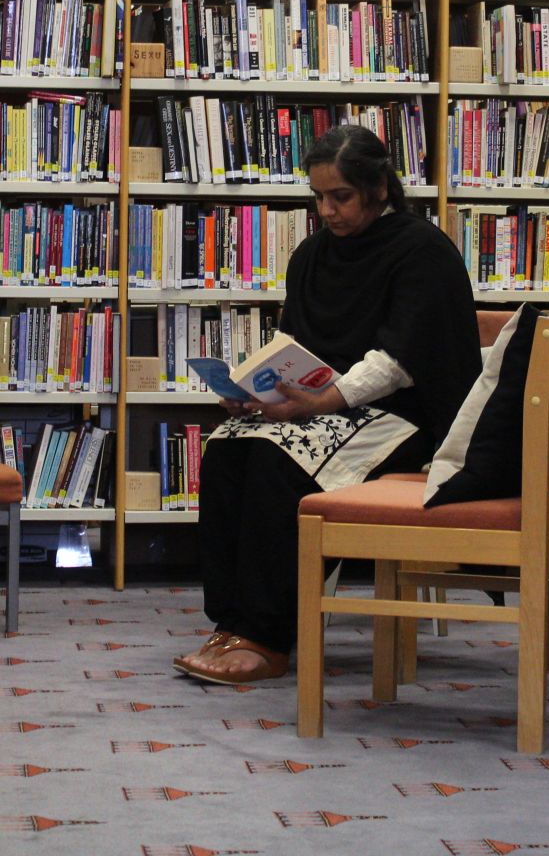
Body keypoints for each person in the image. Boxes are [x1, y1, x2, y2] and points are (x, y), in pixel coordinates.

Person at [174, 124, 482, 684]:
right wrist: (259, 393)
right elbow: (296, 347)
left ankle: (268, 635)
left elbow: (399, 361)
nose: (327, 210)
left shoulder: (423, 251)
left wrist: (320, 401)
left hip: (407, 416)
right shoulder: (312, 254)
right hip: (325, 408)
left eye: (340, 196)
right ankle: (232, 621)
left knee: (276, 463)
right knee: (226, 450)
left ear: (378, 189)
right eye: (318, 198)